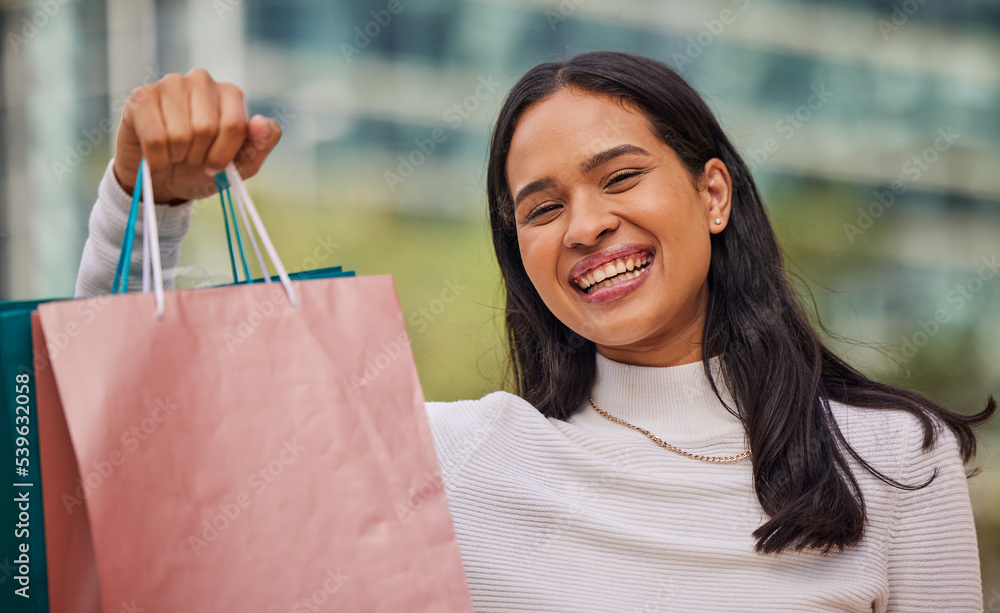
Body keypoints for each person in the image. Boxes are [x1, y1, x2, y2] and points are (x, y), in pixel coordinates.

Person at [76, 52, 995, 611]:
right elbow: (134, 459)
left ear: (713, 193)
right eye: (543, 206)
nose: (586, 224)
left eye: (621, 177)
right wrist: (147, 201)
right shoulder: (456, 460)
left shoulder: (892, 460)